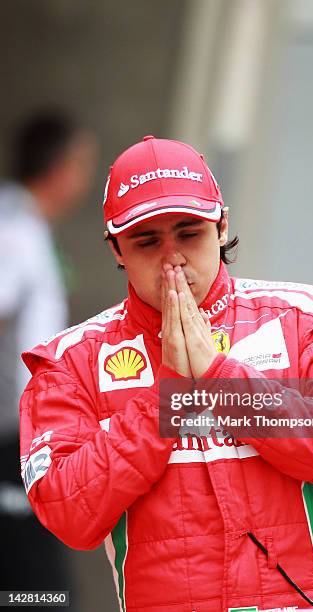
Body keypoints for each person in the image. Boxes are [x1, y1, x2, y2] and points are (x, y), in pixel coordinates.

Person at [19, 135, 313, 612]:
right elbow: (68, 514)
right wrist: (167, 397)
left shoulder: (310, 321)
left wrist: (220, 379)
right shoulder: (69, 363)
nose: (172, 257)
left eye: (189, 233)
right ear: (116, 249)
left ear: (222, 226)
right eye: (147, 241)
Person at [0, 110, 96, 597]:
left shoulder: (25, 225)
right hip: (8, 440)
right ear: (59, 168)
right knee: (39, 591)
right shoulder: (15, 232)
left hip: (20, 435)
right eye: (81, 165)